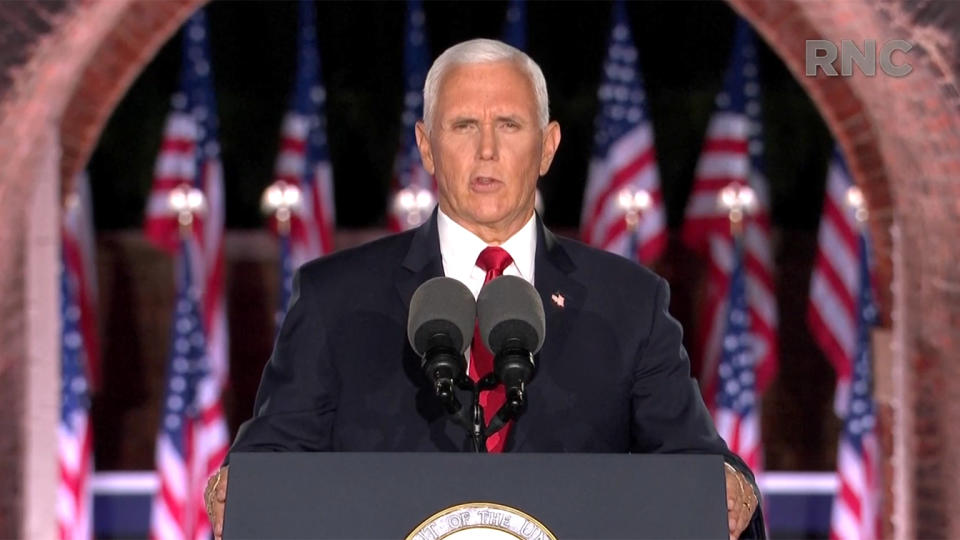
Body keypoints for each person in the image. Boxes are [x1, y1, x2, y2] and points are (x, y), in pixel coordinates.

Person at [205, 38, 762, 539]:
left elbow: (695, 464)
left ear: (547, 147)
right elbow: (271, 461)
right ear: (426, 146)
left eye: (510, 125)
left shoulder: (630, 304)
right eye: (464, 125)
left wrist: (731, 486)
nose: (488, 150)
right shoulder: (334, 298)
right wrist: (238, 486)